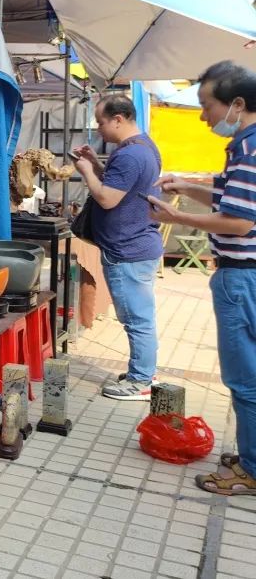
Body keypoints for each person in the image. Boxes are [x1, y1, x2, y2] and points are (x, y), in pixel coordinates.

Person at [151, 61, 256, 496]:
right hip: (244, 277)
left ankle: (250, 470)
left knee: (243, 378)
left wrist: (176, 215)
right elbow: (226, 192)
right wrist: (186, 186)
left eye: (205, 105)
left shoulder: (250, 150)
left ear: (236, 104)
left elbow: (238, 222)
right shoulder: (244, 149)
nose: (203, 116)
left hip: (241, 279)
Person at [72, 94, 163, 400]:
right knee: (140, 316)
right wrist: (97, 165)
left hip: (128, 249)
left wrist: (86, 173)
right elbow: (121, 187)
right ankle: (144, 370)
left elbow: (108, 198)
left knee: (137, 318)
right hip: (137, 245)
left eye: (101, 122)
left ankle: (140, 381)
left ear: (119, 119)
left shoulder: (129, 155)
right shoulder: (143, 147)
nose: (98, 129)